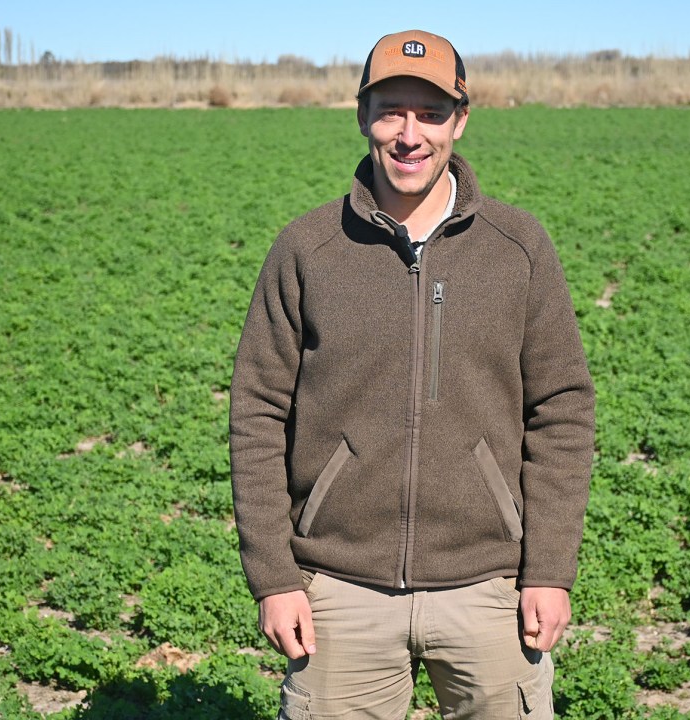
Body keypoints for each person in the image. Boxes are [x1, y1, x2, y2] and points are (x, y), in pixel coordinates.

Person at [229, 29, 595, 719]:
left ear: (460, 119)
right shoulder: (307, 249)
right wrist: (274, 578)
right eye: (390, 110)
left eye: (429, 114)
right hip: (338, 589)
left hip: (490, 587)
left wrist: (547, 570)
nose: (408, 134)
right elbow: (256, 413)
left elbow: (562, 409)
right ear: (362, 116)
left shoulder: (517, 248)